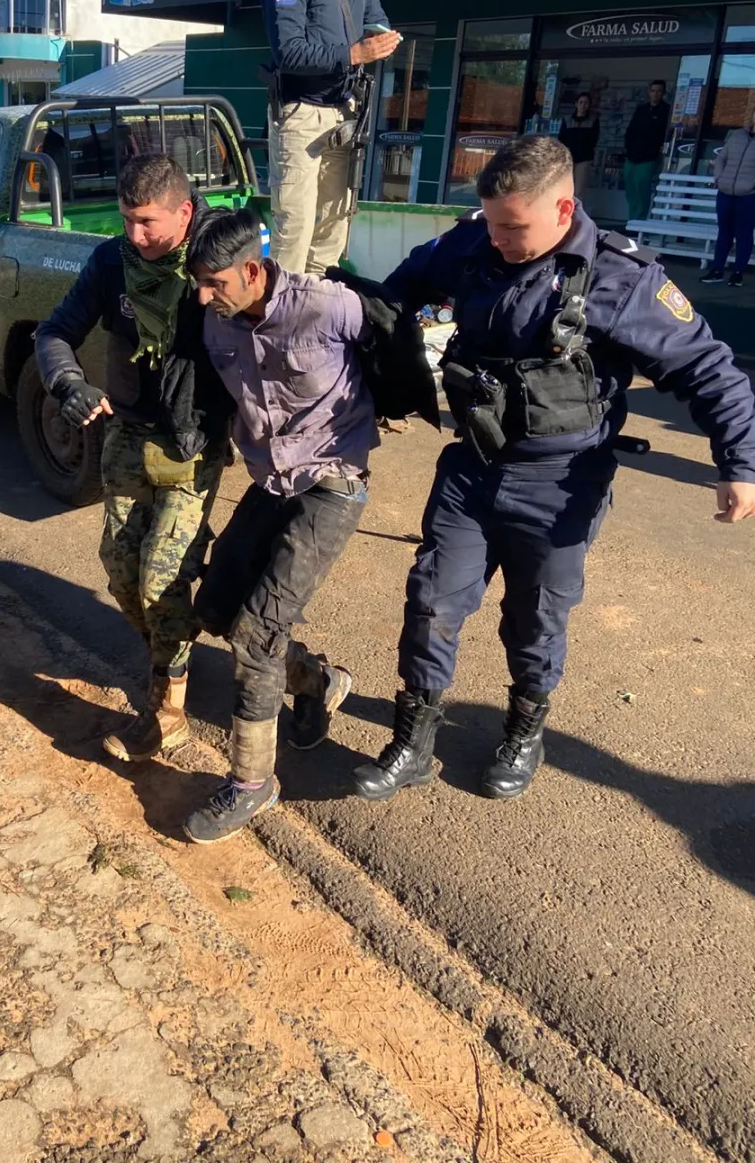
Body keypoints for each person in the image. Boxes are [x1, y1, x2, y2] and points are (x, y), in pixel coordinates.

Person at [352, 134, 755, 807]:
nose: (499, 240)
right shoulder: (474, 241)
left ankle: (523, 731)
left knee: (535, 619)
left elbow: (712, 372)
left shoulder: (621, 279)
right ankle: (413, 741)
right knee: (432, 602)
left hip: (562, 484)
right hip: (473, 466)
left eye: (514, 228)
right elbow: (400, 293)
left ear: (564, 208)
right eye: (491, 223)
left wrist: (740, 463)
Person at [180, 207, 376, 844]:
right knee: (215, 609)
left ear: (254, 270)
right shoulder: (218, 325)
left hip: (333, 483)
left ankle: (252, 782)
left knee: (259, 632)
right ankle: (319, 683)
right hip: (270, 482)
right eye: (198, 284)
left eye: (215, 284)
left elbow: (387, 330)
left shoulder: (324, 307)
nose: (204, 297)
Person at [35, 155, 234, 762]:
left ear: (184, 210)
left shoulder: (216, 262)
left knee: (162, 579)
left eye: (148, 222)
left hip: (191, 442)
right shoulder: (110, 262)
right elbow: (54, 333)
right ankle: (301, 673)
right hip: (126, 432)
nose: (136, 236)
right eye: (127, 220)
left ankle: (167, 710)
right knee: (123, 573)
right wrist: (70, 385)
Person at [263, 0, 403, 276]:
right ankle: (282, 318)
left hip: (345, 112)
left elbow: (377, 19)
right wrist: (354, 54)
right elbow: (288, 53)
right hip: (300, 113)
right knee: (295, 226)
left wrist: (383, 38)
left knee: (333, 225)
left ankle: (316, 313)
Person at [701, 97, 755, 288]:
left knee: (744, 234)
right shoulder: (736, 136)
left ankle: (738, 272)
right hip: (725, 192)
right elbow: (721, 158)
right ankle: (717, 270)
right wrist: (719, 178)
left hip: (748, 197)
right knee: (724, 232)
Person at [623, 80, 670, 222]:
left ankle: (639, 220)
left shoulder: (666, 110)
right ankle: (631, 220)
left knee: (642, 186)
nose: (655, 94)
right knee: (630, 187)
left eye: (659, 91)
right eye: (653, 90)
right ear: (649, 92)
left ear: (663, 93)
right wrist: (628, 147)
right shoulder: (641, 109)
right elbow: (631, 130)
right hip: (632, 155)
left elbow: (664, 134)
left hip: (649, 157)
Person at [558, 92, 599, 199]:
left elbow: (594, 139)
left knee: (579, 189)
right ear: (576, 104)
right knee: (565, 187)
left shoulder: (593, 120)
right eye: (580, 102)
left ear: (589, 105)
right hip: (569, 157)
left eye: (586, 103)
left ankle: (575, 213)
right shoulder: (567, 119)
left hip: (584, 158)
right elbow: (562, 138)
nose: (583, 105)